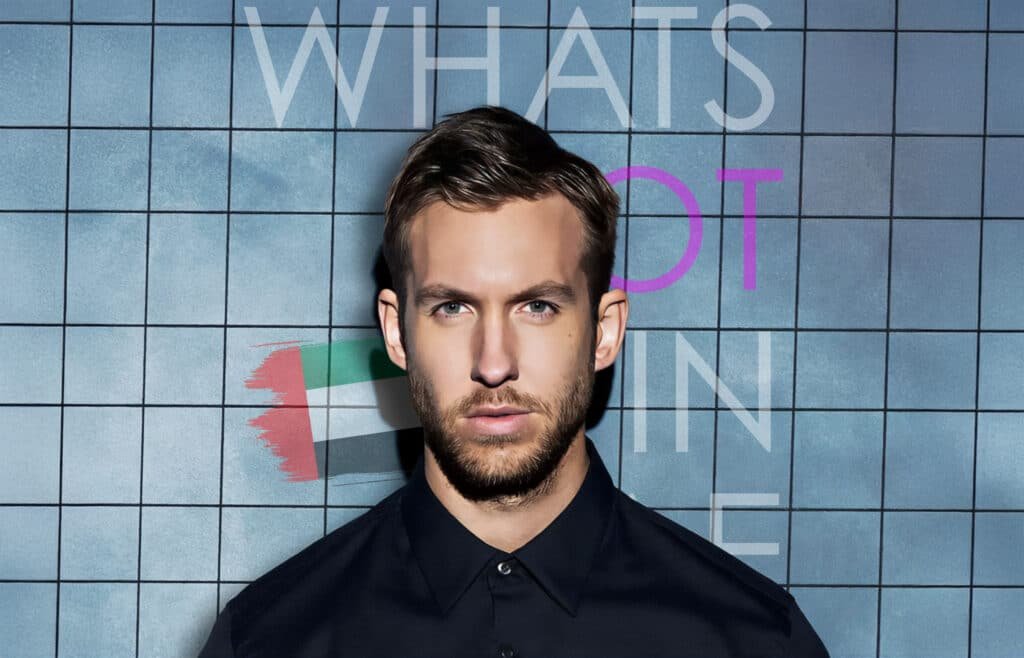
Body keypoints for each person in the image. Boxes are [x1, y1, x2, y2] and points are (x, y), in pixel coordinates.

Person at [197, 105, 829, 658]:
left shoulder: (753, 640)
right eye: (452, 308)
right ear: (396, 333)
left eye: (538, 307)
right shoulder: (268, 640)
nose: (493, 363)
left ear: (604, 332)